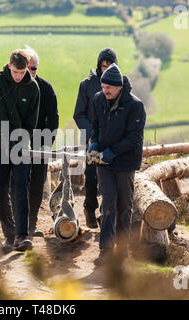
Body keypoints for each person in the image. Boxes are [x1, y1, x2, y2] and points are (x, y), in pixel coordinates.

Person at [88, 63, 146, 266]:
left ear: (119, 87)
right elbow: (95, 127)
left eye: (108, 88)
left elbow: (134, 139)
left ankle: (122, 251)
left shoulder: (135, 106)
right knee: (108, 204)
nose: (105, 91)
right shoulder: (98, 100)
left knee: (124, 207)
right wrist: (93, 145)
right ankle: (105, 249)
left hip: (125, 162)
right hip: (103, 162)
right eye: (103, 87)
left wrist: (110, 153)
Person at [0, 49, 40, 253]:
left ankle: (22, 235)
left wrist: (21, 144)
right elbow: (0, 117)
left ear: (27, 68)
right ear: (9, 66)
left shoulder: (33, 88)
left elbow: (31, 123)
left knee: (20, 189)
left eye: (22, 72)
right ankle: (9, 235)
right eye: (15, 72)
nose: (18, 76)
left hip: (21, 146)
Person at [73, 48, 118, 229]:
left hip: (113, 141)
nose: (105, 69)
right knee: (92, 177)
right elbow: (79, 114)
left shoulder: (119, 84)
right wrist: (93, 134)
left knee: (111, 178)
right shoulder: (87, 85)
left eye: (109, 66)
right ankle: (89, 209)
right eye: (103, 66)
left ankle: (106, 216)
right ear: (99, 65)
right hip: (94, 141)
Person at [24, 47, 59, 238]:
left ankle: (31, 224)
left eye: (34, 68)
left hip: (40, 143)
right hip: (18, 144)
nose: (31, 72)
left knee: (37, 183)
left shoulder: (46, 88)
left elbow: (53, 118)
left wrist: (47, 144)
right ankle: (19, 224)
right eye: (27, 68)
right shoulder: (14, 87)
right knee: (19, 183)